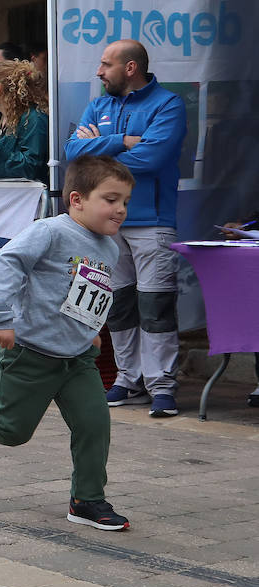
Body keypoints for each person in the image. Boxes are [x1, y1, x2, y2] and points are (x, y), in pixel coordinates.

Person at [0, 155, 135, 532]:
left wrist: (93, 333)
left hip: (76, 359)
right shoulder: (52, 231)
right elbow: (7, 263)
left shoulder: (110, 248)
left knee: (94, 424)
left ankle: (87, 499)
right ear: (77, 199)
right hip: (30, 353)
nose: (120, 209)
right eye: (111, 199)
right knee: (12, 431)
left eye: (125, 202)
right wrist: (1, 320)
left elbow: (94, 295)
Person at [63, 39, 186, 419]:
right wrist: (120, 141)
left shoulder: (168, 104)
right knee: (117, 306)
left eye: (105, 65)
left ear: (130, 68)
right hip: (106, 227)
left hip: (152, 223)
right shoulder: (99, 104)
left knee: (155, 306)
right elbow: (71, 153)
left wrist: (96, 152)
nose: (99, 72)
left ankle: (162, 385)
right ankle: (127, 379)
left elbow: (151, 158)